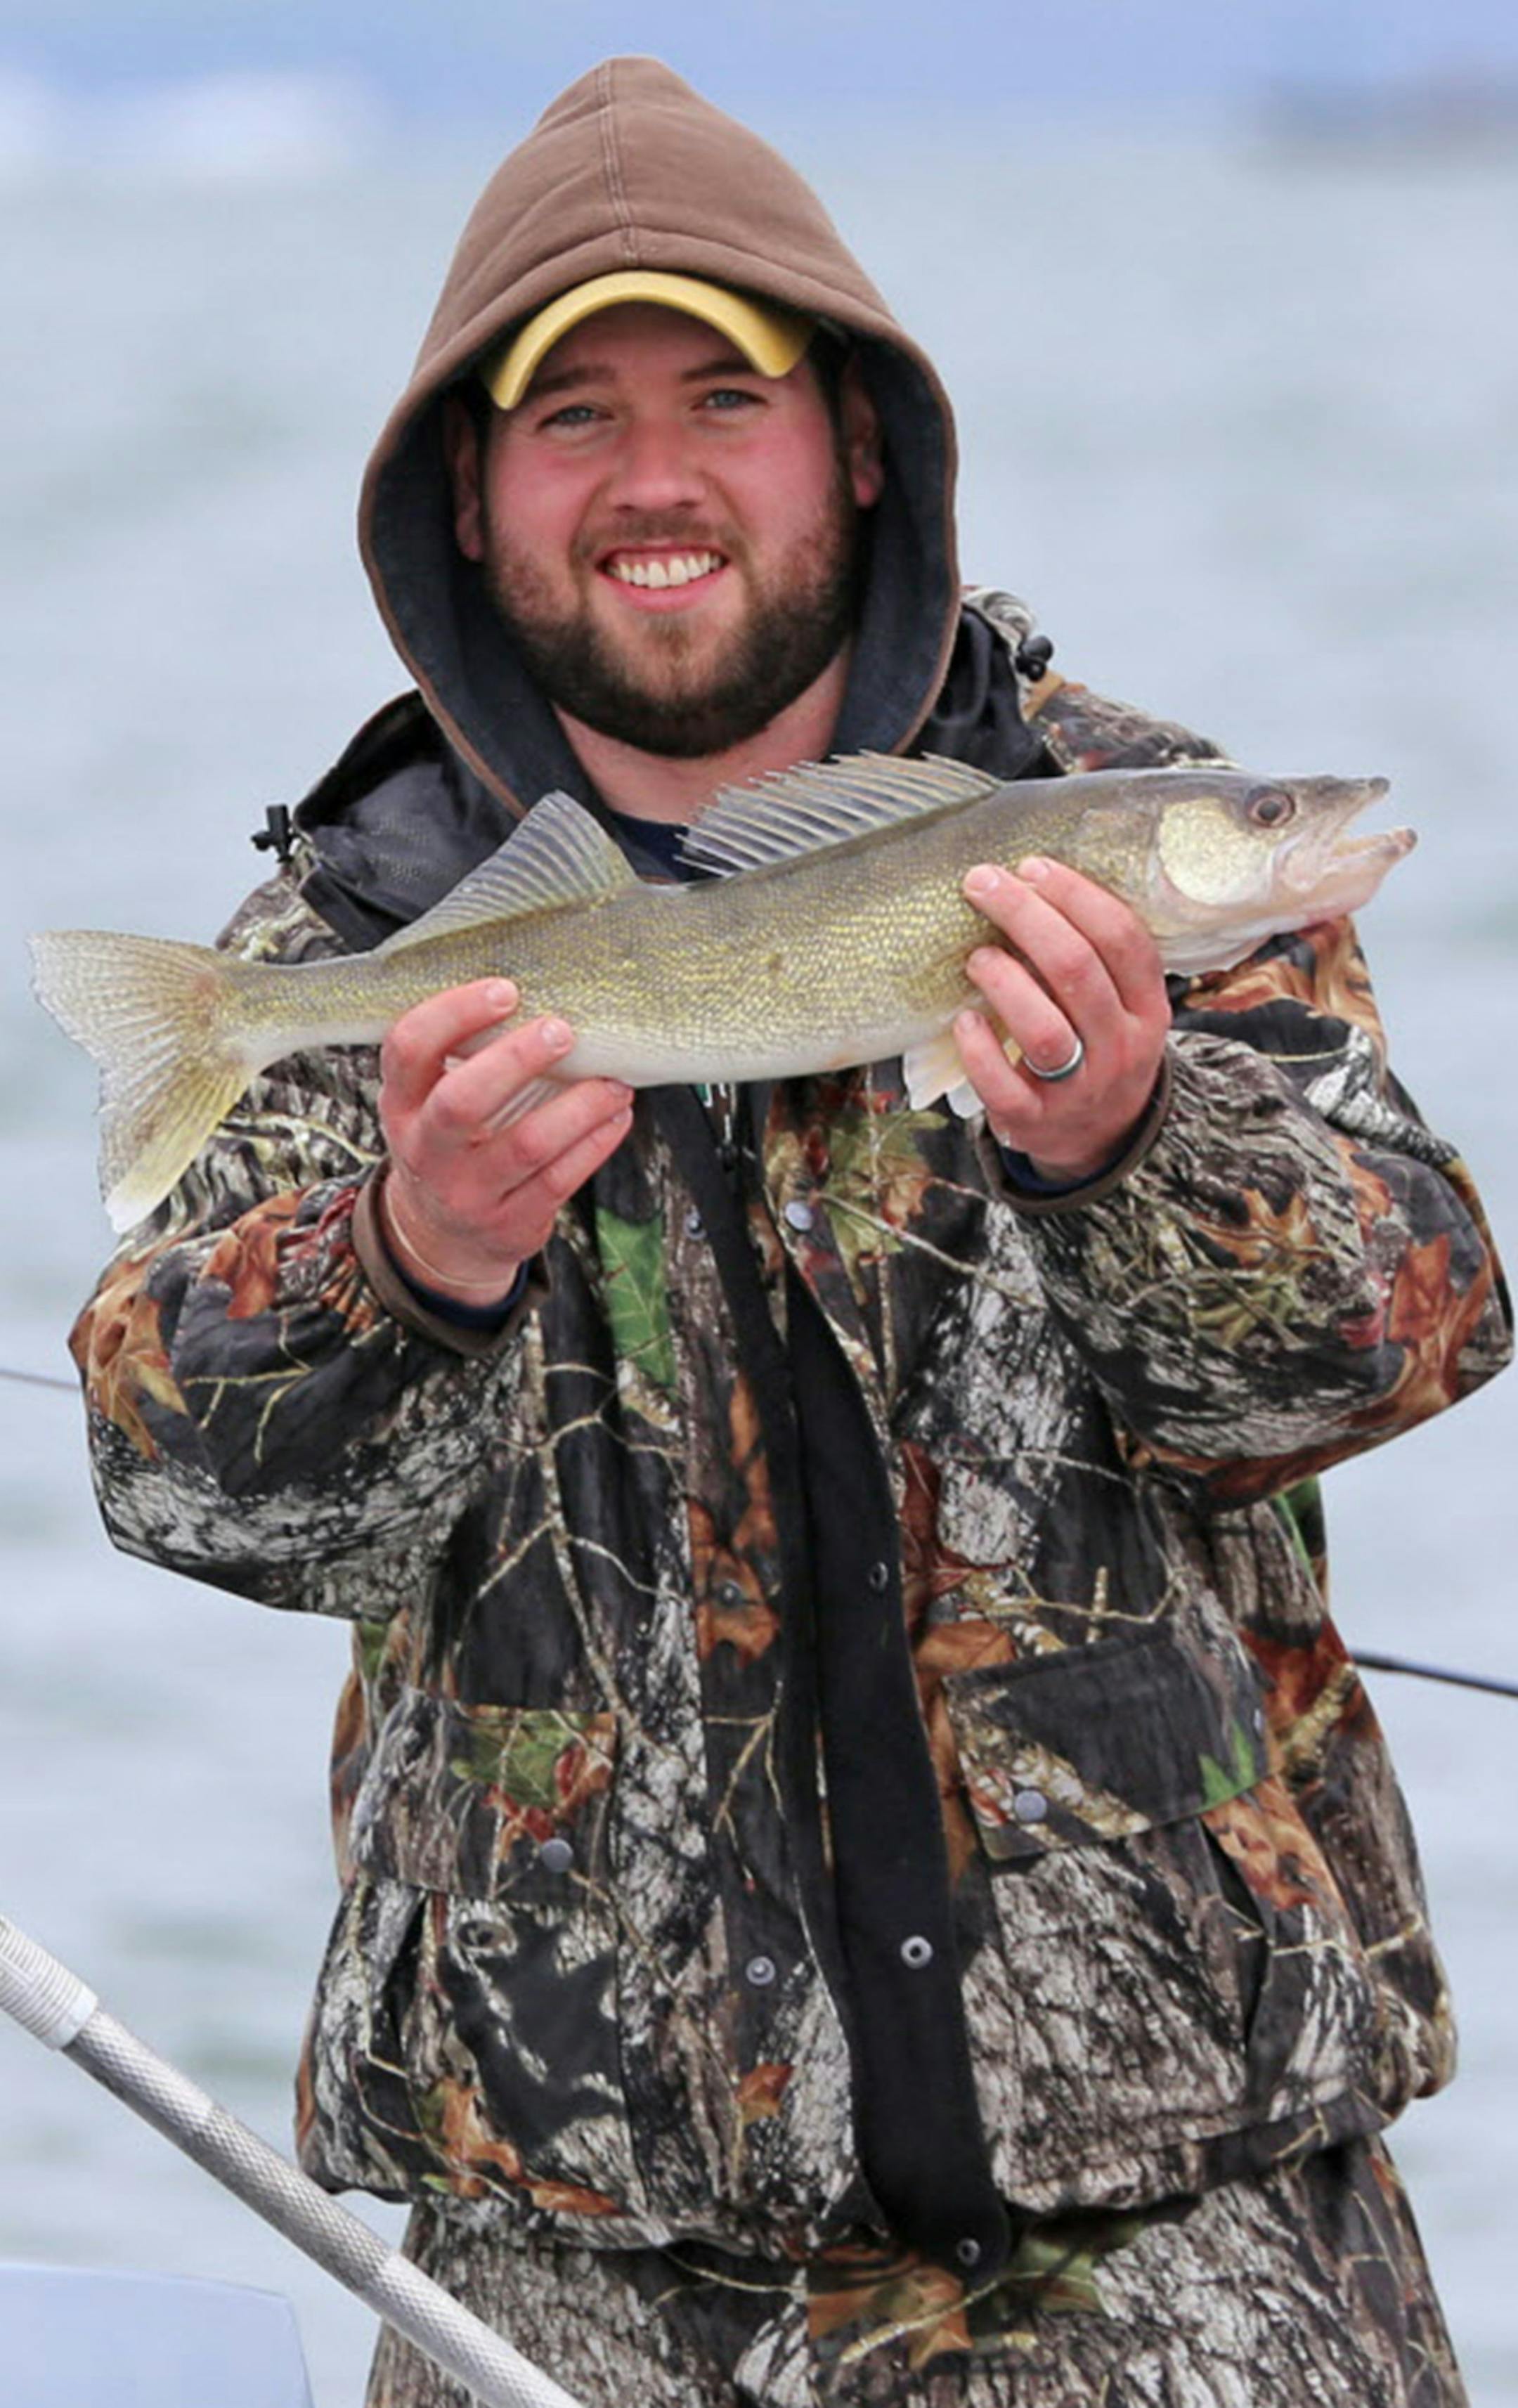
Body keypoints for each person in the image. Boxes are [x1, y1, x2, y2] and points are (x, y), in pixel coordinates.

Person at [67, 55, 1510, 2408]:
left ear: (855, 443)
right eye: (574, 416)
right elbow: (173, 1481)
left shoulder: (1101, 826)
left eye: (726, 396)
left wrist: (1133, 1141)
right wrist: (404, 1266)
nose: (655, 477)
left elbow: (1401, 1330)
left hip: (1188, 2244)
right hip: (569, 2273)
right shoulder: (367, 926)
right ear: (473, 487)